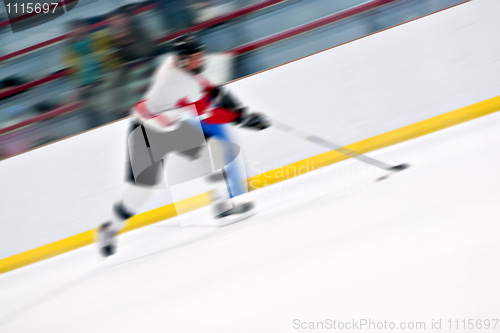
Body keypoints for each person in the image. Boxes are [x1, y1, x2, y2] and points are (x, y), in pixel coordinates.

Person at [97, 34, 269, 257]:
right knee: (140, 193)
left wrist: (243, 113)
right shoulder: (178, 81)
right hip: (146, 133)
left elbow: (213, 91)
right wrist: (243, 119)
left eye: (200, 56)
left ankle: (222, 207)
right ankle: (110, 229)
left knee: (212, 151)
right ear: (183, 61)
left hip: (171, 125)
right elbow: (211, 112)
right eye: (195, 58)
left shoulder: (183, 67)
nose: (200, 61)